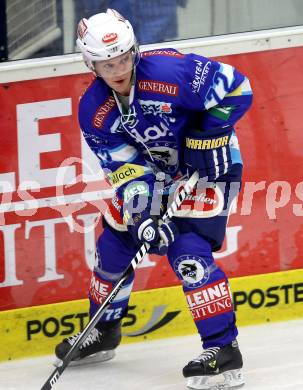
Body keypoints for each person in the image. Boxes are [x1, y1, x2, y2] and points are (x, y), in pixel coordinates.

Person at [55, 9, 253, 389]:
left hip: (209, 169)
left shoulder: (170, 74)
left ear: (135, 50)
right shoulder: (94, 111)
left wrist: (208, 134)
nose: (118, 69)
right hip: (156, 177)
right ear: (90, 63)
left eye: (124, 58)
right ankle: (104, 330)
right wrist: (144, 213)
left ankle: (223, 349)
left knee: (188, 252)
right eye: (106, 63)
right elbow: (124, 168)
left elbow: (237, 88)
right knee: (115, 244)